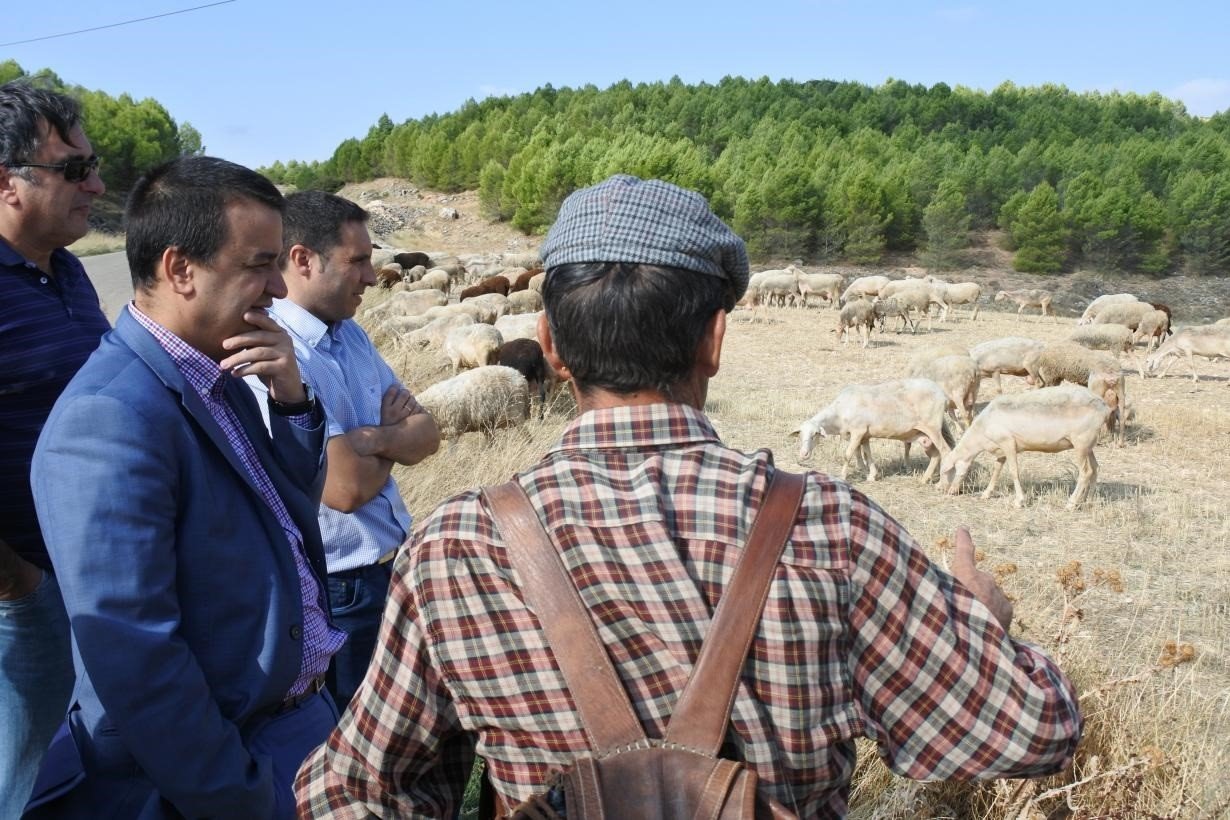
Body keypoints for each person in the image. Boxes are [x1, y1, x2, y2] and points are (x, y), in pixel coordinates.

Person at [295, 175, 1083, 817]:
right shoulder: (831, 528)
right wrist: (982, 619)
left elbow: (350, 788)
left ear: (552, 346)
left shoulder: (456, 547)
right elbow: (1037, 730)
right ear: (715, 339)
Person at [25, 155, 345, 819]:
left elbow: (286, 514)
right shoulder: (107, 420)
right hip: (237, 764)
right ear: (180, 269)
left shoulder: (215, 376)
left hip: (298, 728)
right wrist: (241, 796)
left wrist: (291, 400)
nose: (279, 290)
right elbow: (139, 661)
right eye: (259, 264)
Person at [249, 190, 439, 708]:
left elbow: (429, 435)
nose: (373, 277)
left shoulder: (351, 336)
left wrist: (372, 439)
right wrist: (391, 443)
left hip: (392, 566)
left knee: (402, 727)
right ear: (302, 259)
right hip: (340, 589)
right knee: (355, 741)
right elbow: (345, 488)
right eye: (358, 261)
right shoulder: (272, 352)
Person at [0, 80, 109, 817]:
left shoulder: (65, 270)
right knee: (24, 775)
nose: (96, 183)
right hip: (27, 594)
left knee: (72, 770)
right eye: (73, 169)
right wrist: (17, 584)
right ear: (7, 184)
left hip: (81, 576)